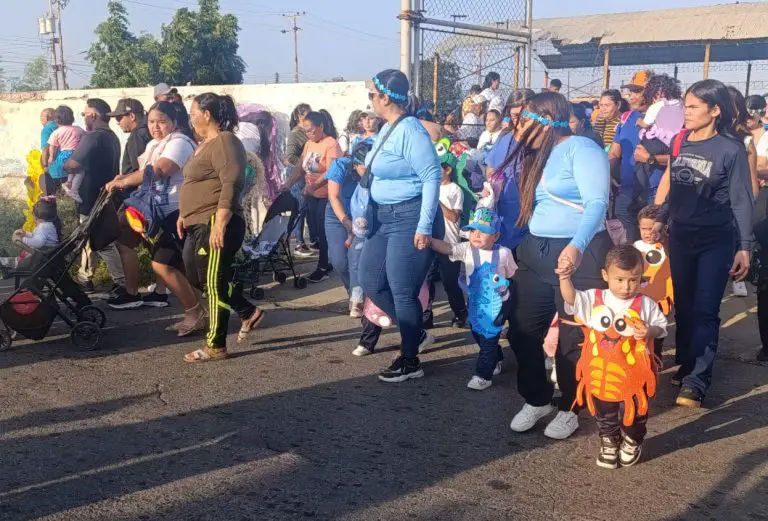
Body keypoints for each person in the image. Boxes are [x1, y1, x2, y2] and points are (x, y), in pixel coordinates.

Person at [503, 92, 612, 440]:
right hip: (536, 251)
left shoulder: (582, 148)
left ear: (547, 119)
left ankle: (570, 407)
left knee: (571, 340)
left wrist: (576, 247)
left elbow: (597, 202)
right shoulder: (539, 155)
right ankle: (537, 398)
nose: (519, 125)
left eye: (526, 118)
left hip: (578, 253)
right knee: (521, 329)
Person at [653, 79, 753, 408]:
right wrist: (661, 216)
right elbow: (677, 187)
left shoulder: (731, 148)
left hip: (716, 239)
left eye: (694, 107)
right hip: (681, 236)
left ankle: (698, 379)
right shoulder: (680, 140)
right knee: (683, 306)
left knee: (706, 309)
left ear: (715, 110)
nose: (687, 112)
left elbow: (741, 200)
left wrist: (744, 246)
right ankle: (687, 363)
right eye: (686, 106)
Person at [358, 69, 442, 382]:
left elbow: (431, 176)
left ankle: (410, 360)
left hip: (409, 217)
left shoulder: (410, 130)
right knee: (370, 278)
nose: (370, 102)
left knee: (402, 289)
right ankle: (414, 333)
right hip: (383, 217)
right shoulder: (389, 128)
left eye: (372, 96)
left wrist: (423, 226)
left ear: (385, 98)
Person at [558, 245, 667, 468]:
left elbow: (661, 327)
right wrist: (564, 278)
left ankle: (632, 439)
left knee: (635, 411)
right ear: (605, 275)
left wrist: (648, 331)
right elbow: (571, 299)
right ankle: (609, 440)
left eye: (633, 280)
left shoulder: (645, 304)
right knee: (604, 412)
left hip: (634, 374)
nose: (626, 287)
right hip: (600, 374)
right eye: (620, 280)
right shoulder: (594, 298)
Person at [178, 92, 266, 363]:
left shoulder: (226, 141)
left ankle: (215, 344)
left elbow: (231, 182)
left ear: (207, 114)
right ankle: (247, 310)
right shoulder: (203, 144)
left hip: (215, 221)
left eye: (193, 113)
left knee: (214, 283)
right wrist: (184, 214)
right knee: (197, 277)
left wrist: (222, 221)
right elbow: (196, 184)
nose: (191, 118)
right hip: (196, 222)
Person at [105, 102, 201, 323]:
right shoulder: (155, 145)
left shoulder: (179, 143)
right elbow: (144, 170)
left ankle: (195, 312)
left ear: (174, 122)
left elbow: (159, 170)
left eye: (162, 121)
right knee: (129, 242)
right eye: (151, 122)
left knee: (165, 265)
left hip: (174, 212)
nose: (155, 126)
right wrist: (121, 179)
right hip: (154, 212)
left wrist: (125, 181)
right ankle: (198, 310)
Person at [432, 207, 517, 390]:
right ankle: (496, 356)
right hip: (475, 301)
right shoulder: (467, 249)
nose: (476, 234)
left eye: (483, 231)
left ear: (495, 236)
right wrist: (430, 241)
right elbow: (448, 248)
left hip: (497, 303)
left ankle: (482, 375)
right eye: (472, 230)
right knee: (477, 333)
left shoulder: (504, 253)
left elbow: (511, 274)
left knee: (487, 336)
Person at [64, 98, 126, 295]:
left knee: (102, 241)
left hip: (91, 198)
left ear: (93, 115)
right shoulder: (112, 137)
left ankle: (121, 281)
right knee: (90, 240)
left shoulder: (93, 137)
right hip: (105, 194)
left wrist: (64, 164)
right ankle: (85, 277)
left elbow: (73, 164)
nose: (83, 118)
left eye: (84, 114)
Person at [284, 111, 342, 283]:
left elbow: (332, 171)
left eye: (311, 130)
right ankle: (325, 261)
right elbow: (301, 168)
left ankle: (323, 266)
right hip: (311, 194)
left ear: (321, 127)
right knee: (315, 230)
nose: (308, 133)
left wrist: (313, 186)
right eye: (306, 130)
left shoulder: (331, 144)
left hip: (326, 195)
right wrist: (288, 184)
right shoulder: (309, 144)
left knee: (323, 231)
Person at [326, 139, 374, 317]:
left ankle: (358, 299)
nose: (367, 172)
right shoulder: (340, 165)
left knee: (356, 257)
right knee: (338, 260)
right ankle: (352, 290)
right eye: (364, 167)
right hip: (337, 214)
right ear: (355, 164)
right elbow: (333, 196)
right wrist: (346, 222)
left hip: (361, 217)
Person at [608, 70, 653, 243]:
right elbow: (614, 152)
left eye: (637, 91)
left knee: (652, 230)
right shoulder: (626, 118)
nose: (632, 96)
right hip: (628, 187)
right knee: (622, 211)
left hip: (652, 189)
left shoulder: (663, 120)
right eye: (631, 91)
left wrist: (651, 159)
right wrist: (603, 173)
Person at [634, 74, 683, 214]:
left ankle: (638, 194)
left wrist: (638, 122)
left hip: (657, 146)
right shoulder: (682, 105)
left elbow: (646, 123)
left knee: (641, 167)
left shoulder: (658, 105)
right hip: (672, 145)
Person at [432, 146, 468, 328]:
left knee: (450, 283)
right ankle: (425, 315)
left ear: (448, 170)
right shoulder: (430, 186)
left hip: (449, 243)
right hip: (430, 241)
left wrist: (437, 202)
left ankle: (460, 313)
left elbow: (454, 217)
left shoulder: (455, 190)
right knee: (428, 280)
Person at [285, 103, 315, 257]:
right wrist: (306, 163)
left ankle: (308, 240)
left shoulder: (308, 132)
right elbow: (290, 157)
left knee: (305, 209)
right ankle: (298, 243)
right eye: (306, 116)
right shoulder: (296, 134)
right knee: (299, 210)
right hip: (297, 175)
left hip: (306, 174)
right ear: (299, 117)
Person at [47, 106, 85, 202]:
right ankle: (74, 190)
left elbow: (52, 145)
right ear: (72, 118)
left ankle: (68, 183)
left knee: (71, 171)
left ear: (57, 120)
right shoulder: (78, 129)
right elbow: (87, 137)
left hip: (63, 156)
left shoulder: (56, 132)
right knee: (80, 171)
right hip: (76, 155)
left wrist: (51, 157)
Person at [109, 99, 153, 179]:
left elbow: (140, 171)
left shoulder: (136, 136)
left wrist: (122, 181)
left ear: (132, 116)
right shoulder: (149, 131)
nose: (118, 123)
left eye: (119, 118)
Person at [40, 108, 57, 183]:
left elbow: (45, 149)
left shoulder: (46, 129)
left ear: (47, 117)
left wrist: (45, 166)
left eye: (41, 116)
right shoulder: (59, 127)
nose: (40, 119)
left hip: (52, 166)